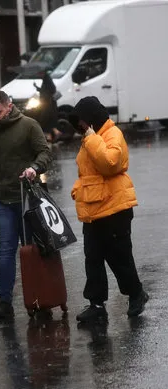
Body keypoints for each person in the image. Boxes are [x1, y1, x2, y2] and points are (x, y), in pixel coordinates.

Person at [70, 96, 148, 322]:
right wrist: (78, 188)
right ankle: (96, 305)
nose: (81, 126)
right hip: (94, 208)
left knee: (119, 257)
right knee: (92, 258)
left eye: (83, 121)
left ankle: (136, 294)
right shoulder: (90, 137)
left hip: (115, 209)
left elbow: (110, 164)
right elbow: (87, 172)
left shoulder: (112, 135)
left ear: (92, 118)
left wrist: (93, 139)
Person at [0, 90, 52, 320]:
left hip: (27, 199)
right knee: (6, 251)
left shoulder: (29, 126)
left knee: (32, 250)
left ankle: (41, 299)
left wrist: (34, 168)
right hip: (2, 200)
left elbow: (45, 153)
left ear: (9, 106)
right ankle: (5, 302)